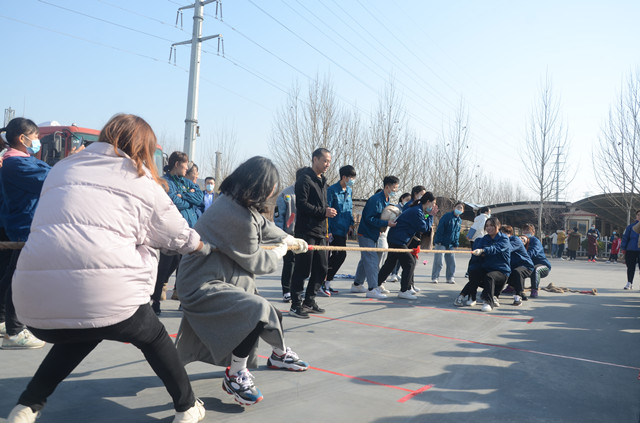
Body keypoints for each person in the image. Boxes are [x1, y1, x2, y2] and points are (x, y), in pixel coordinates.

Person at [7, 114, 208, 423]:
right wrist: (202, 246)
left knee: (86, 326)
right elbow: (178, 235)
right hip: (105, 294)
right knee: (151, 335)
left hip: (30, 304)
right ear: (143, 147)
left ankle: (28, 405)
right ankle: (187, 406)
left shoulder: (61, 168)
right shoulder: (139, 178)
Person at [174, 156, 310, 406]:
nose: (272, 193)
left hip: (223, 275)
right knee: (257, 311)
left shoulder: (238, 204)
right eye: (270, 188)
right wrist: (280, 251)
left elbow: (266, 228)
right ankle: (235, 373)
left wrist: (290, 239)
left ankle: (278, 354)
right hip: (202, 283)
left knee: (271, 313)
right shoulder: (237, 217)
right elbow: (258, 262)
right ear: (257, 186)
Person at [0, 118, 49, 350]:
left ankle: (3, 321)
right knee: (18, 279)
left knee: (11, 276)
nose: (38, 141)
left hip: (22, 226)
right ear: (23, 138)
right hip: (22, 227)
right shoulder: (15, 164)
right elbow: (50, 177)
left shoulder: (19, 161)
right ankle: (15, 332)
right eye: (36, 136)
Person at [151, 152, 204, 314]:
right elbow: (173, 202)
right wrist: (187, 199)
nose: (187, 168)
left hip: (189, 231)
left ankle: (184, 301)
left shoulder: (186, 182)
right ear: (176, 164)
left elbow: (199, 197)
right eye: (185, 165)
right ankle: (155, 303)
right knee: (164, 269)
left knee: (185, 269)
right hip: (171, 233)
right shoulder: (164, 182)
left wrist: (185, 196)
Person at [288, 148, 336, 318]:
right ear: (315, 159)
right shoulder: (304, 179)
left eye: (329, 161)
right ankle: (296, 304)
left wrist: (326, 217)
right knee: (302, 269)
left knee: (322, 268)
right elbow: (301, 205)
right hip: (306, 231)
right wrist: (324, 212)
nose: (327, 165)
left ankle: (310, 300)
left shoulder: (322, 181)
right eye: (325, 161)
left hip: (321, 231)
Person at [378, 192, 436, 299]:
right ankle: (404, 290)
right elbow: (423, 227)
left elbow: (423, 221)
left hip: (397, 238)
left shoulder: (418, 210)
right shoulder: (416, 211)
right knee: (410, 263)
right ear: (428, 202)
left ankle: (377, 284)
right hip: (398, 240)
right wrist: (431, 216)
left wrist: (429, 216)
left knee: (390, 262)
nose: (433, 207)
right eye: (433, 204)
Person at [350, 176, 399, 299]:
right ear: (387, 187)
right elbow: (369, 219)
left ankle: (357, 284)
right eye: (394, 188)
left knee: (365, 259)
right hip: (366, 233)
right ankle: (372, 289)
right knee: (372, 260)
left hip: (373, 234)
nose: (395, 190)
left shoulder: (386, 200)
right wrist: (386, 223)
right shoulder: (375, 199)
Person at [454, 217, 511, 312]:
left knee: (490, 276)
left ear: (498, 226)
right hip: (487, 269)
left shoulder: (504, 238)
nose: (489, 228)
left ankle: (488, 302)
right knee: (474, 271)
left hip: (501, 271)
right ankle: (471, 297)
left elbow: (495, 248)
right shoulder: (485, 238)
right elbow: (478, 250)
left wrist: (483, 250)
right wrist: (477, 251)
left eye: (492, 225)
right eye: (487, 226)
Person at [322, 165, 356, 296]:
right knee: (335, 256)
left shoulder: (349, 190)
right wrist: (328, 230)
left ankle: (326, 282)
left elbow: (349, 209)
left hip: (343, 229)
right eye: (351, 177)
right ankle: (321, 282)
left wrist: (351, 224)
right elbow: (328, 210)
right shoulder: (332, 190)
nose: (353, 180)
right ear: (344, 177)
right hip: (333, 229)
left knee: (339, 256)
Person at [273, 169, 304, 303]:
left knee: (301, 265)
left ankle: (296, 290)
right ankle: (286, 290)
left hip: (304, 235)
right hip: (289, 234)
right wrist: (282, 236)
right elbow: (279, 218)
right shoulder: (286, 194)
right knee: (289, 263)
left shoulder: (308, 194)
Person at [499, 225, 533, 306]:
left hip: (526, 266)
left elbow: (507, 249)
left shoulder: (515, 240)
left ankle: (518, 296)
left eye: (504, 233)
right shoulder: (500, 241)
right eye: (501, 233)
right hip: (513, 267)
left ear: (510, 234)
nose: (502, 235)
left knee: (517, 272)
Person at [431, 201, 464, 284]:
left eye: (461, 208)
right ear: (454, 208)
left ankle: (450, 277)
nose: (459, 209)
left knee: (451, 261)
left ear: (463, 211)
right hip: (441, 242)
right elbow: (440, 229)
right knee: (439, 261)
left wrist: (456, 243)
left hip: (451, 244)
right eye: (458, 207)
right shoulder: (447, 216)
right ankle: (435, 277)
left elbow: (457, 233)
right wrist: (438, 240)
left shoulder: (459, 220)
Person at [386, 192, 412, 283]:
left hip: (404, 237)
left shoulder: (409, 208)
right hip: (395, 234)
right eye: (407, 200)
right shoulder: (396, 208)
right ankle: (392, 274)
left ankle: (396, 273)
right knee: (393, 258)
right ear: (402, 199)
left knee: (400, 258)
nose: (408, 202)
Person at [521, 223, 551, 298]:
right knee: (518, 267)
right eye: (524, 230)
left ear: (533, 232)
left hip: (542, 266)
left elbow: (532, 253)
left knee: (536, 269)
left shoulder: (535, 241)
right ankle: (515, 287)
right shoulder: (521, 241)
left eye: (528, 230)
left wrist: (521, 256)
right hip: (529, 265)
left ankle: (534, 289)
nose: (525, 232)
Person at [621, 210, 640, 290]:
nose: (639, 216)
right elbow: (625, 238)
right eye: (638, 215)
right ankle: (629, 282)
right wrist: (623, 248)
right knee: (630, 267)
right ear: (636, 216)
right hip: (631, 249)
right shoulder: (630, 227)